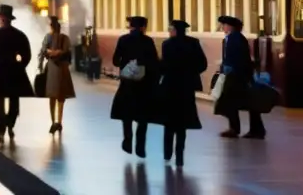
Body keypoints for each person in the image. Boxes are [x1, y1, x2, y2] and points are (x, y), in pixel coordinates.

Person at [157, 20, 207, 167]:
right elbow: (202, 64)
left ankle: (167, 153)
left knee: (169, 121)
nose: (169, 31)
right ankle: (180, 155)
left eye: (170, 29)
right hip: (186, 87)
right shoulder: (194, 43)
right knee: (182, 123)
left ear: (175, 30)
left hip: (170, 87)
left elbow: (164, 66)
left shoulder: (167, 44)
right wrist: (191, 73)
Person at [111, 15, 159, 158]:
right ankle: (140, 147)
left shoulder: (123, 40)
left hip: (127, 84)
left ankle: (127, 141)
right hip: (143, 84)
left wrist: (126, 65)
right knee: (143, 116)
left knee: (127, 114)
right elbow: (154, 62)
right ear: (143, 27)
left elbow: (115, 60)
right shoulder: (148, 41)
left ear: (130, 26)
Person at [0, 3, 33, 142]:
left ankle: (1, 126)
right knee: (14, 100)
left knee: (0, 100)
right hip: (14, 70)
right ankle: (10, 123)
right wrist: (20, 65)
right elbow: (27, 54)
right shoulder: (19, 35)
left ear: (1, 18)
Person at [215, 15, 266, 140]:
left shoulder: (235, 39)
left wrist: (230, 69)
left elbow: (239, 58)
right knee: (247, 102)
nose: (223, 28)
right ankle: (253, 129)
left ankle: (241, 129)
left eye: (224, 25)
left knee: (235, 101)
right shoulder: (234, 38)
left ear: (230, 26)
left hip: (237, 76)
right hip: (239, 75)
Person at [38, 16, 75, 134]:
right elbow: (68, 55)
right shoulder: (65, 38)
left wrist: (41, 65)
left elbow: (43, 52)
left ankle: (53, 121)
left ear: (51, 26)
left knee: (52, 96)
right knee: (61, 97)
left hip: (52, 68)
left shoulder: (48, 37)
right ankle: (59, 121)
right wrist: (58, 53)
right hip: (63, 69)